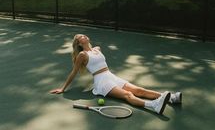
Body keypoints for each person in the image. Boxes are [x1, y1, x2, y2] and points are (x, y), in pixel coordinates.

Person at [50, 34, 182, 115]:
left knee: (139, 90)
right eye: (80, 37)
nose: (84, 36)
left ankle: (172, 98)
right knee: (127, 95)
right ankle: (153, 105)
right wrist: (63, 88)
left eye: (84, 35)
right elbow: (74, 72)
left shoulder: (97, 49)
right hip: (102, 81)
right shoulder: (82, 55)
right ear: (79, 43)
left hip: (110, 76)